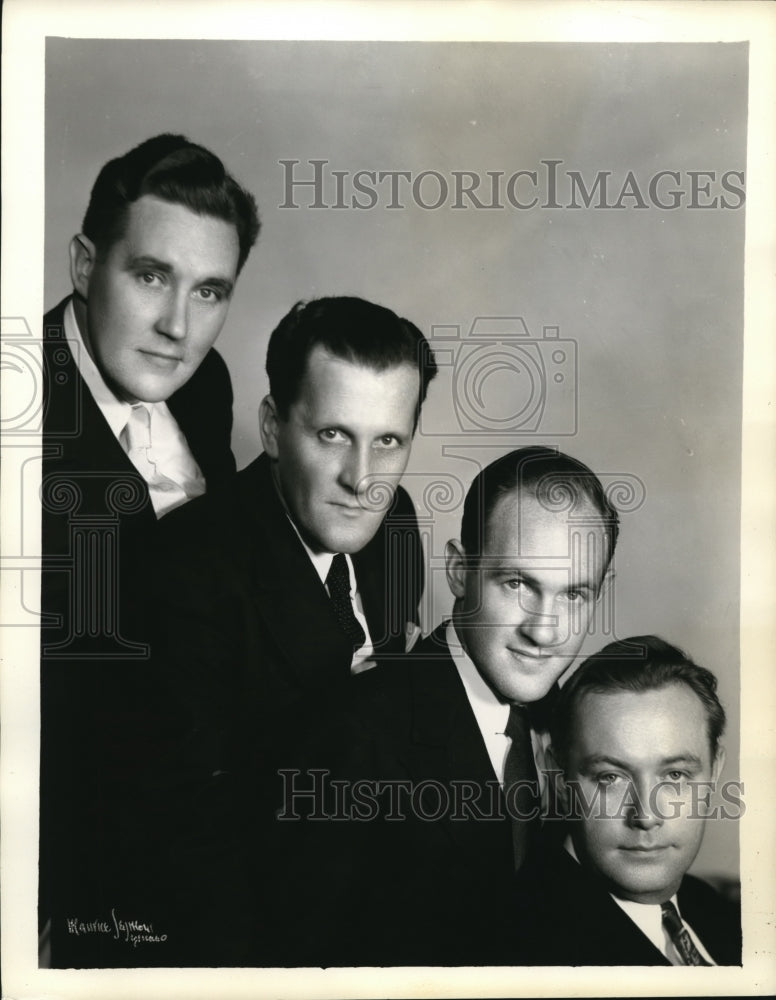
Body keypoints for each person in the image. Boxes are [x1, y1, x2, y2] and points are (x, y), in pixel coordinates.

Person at [143, 294, 438, 964]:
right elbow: (194, 848)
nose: (362, 479)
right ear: (273, 427)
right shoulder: (187, 571)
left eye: (388, 441)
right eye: (332, 434)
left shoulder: (392, 524)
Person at [39, 133, 260, 966]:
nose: (178, 327)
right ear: (83, 262)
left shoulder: (203, 385)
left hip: (196, 824)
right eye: (151, 276)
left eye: (210, 292)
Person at [279, 445, 620, 966]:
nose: (544, 631)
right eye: (518, 584)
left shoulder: (575, 728)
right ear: (460, 571)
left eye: (574, 596)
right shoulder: (354, 735)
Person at [515, 635, 742, 965]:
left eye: (674, 776)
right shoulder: (524, 946)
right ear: (558, 776)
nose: (646, 816)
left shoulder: (715, 911)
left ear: (714, 771)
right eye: (611, 777)